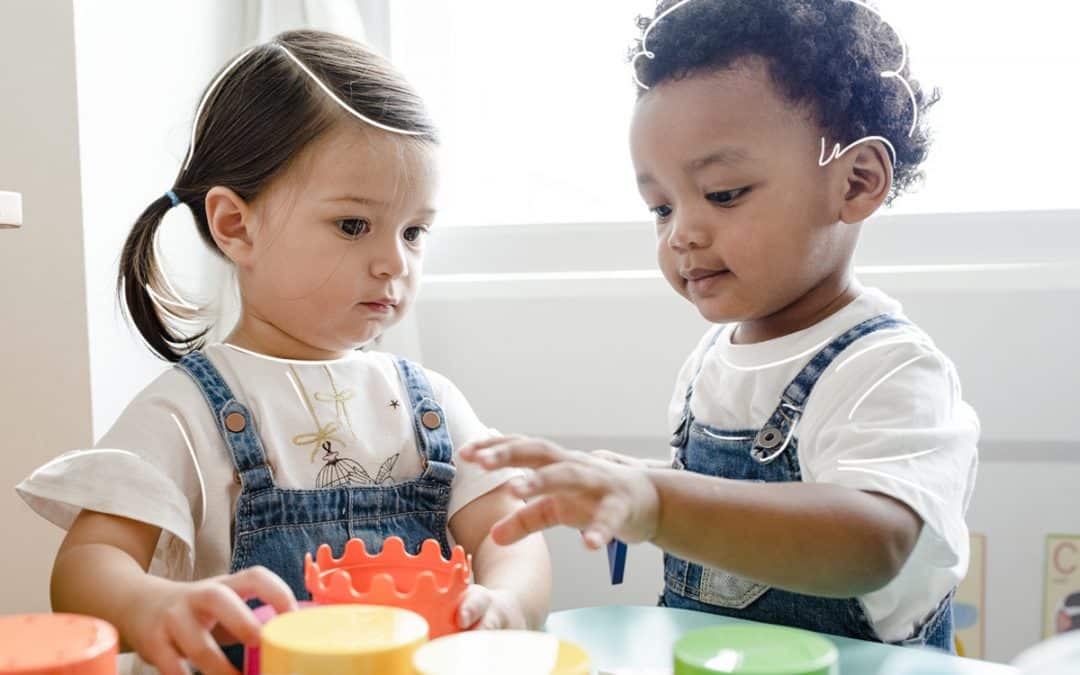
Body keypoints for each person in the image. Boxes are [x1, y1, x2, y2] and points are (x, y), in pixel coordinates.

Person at [16, 29, 550, 675]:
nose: (394, 262)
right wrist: (153, 604)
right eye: (353, 225)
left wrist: (506, 602)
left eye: (415, 231)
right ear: (237, 225)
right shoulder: (184, 410)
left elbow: (509, 535)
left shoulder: (430, 401)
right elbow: (87, 569)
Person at [462, 0, 977, 651]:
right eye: (659, 206)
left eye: (724, 193)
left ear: (856, 182)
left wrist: (659, 501)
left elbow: (874, 539)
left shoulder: (890, 369)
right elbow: (727, 504)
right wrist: (621, 484)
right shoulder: (712, 359)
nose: (683, 232)